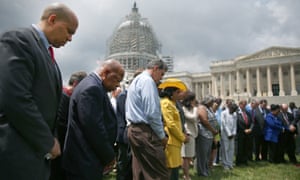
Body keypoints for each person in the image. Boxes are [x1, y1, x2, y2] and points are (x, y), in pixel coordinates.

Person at [0, 3, 78, 180]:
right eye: (69, 31)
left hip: (36, 157)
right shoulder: (18, 40)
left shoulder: (51, 60)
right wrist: (48, 142)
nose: (70, 38)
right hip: (15, 155)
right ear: (52, 19)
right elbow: (15, 98)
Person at [62, 59, 124, 180]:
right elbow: (94, 128)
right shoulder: (92, 89)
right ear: (106, 73)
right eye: (117, 80)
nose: (117, 85)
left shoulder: (94, 86)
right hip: (84, 159)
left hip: (86, 158)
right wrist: (109, 156)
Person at [126, 59, 169, 179]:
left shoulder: (136, 81)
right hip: (145, 131)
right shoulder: (147, 82)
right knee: (159, 173)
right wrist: (161, 136)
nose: (160, 78)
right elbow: (152, 112)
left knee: (140, 172)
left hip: (134, 130)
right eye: (161, 74)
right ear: (155, 68)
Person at [50, 71, 87, 180]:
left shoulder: (67, 96)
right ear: (75, 84)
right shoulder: (63, 97)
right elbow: (61, 122)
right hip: (60, 142)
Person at [159, 78, 189, 180]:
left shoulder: (172, 103)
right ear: (172, 92)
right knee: (170, 170)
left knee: (174, 168)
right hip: (171, 141)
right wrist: (182, 137)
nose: (180, 95)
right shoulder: (166, 103)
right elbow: (170, 124)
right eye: (178, 92)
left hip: (175, 141)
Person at [115, 70, 142, 180]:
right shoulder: (124, 96)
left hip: (132, 135)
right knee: (124, 166)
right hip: (124, 137)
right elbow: (123, 119)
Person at [196, 95, 219, 177]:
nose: (212, 103)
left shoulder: (208, 108)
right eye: (211, 102)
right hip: (204, 133)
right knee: (203, 154)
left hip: (209, 135)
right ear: (208, 101)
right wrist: (213, 130)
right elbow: (204, 120)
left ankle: (205, 170)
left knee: (207, 154)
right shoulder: (202, 108)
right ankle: (202, 172)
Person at [181, 91, 198, 180]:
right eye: (194, 99)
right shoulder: (184, 109)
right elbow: (193, 118)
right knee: (186, 157)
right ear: (190, 100)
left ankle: (186, 174)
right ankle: (186, 176)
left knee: (189, 156)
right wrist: (195, 109)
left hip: (192, 134)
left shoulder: (190, 109)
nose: (195, 101)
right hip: (188, 133)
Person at [220, 102, 238, 170]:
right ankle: (225, 164)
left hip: (232, 134)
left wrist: (233, 133)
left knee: (231, 149)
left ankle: (230, 163)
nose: (233, 111)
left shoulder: (234, 114)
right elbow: (224, 124)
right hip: (225, 134)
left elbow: (235, 124)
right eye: (232, 109)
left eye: (234, 110)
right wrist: (229, 134)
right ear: (230, 107)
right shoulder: (223, 113)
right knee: (225, 149)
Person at [236, 99, 253, 166]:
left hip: (248, 132)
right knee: (240, 148)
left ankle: (245, 161)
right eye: (243, 105)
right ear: (240, 105)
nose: (244, 106)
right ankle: (239, 161)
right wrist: (244, 130)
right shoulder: (237, 113)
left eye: (245, 105)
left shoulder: (247, 112)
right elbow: (238, 123)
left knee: (246, 147)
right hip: (240, 133)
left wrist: (250, 129)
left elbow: (252, 122)